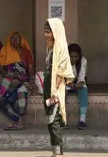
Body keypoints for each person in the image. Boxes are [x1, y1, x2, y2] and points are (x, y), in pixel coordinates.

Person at [43, 18, 75, 156]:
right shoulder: (50, 46)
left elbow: (61, 72)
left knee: (54, 119)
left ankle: (59, 152)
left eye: (48, 32)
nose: (45, 35)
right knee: (49, 120)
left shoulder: (61, 48)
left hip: (55, 87)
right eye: (45, 32)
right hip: (48, 84)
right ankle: (55, 151)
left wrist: (54, 91)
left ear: (55, 32)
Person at [0, 30, 35, 130]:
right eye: (12, 38)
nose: (15, 40)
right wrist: (10, 76)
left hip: (23, 80)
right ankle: (2, 97)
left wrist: (32, 81)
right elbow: (1, 67)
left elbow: (30, 68)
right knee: (2, 83)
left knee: (21, 91)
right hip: (10, 79)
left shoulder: (26, 52)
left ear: (21, 40)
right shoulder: (6, 50)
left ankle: (19, 121)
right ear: (9, 40)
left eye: (17, 38)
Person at [66, 43, 88, 130]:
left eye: (76, 56)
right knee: (61, 92)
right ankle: (62, 120)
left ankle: (82, 120)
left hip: (77, 83)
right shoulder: (64, 61)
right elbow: (62, 75)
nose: (74, 58)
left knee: (84, 89)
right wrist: (69, 83)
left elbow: (82, 75)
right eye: (71, 56)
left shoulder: (83, 60)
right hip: (66, 83)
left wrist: (80, 83)